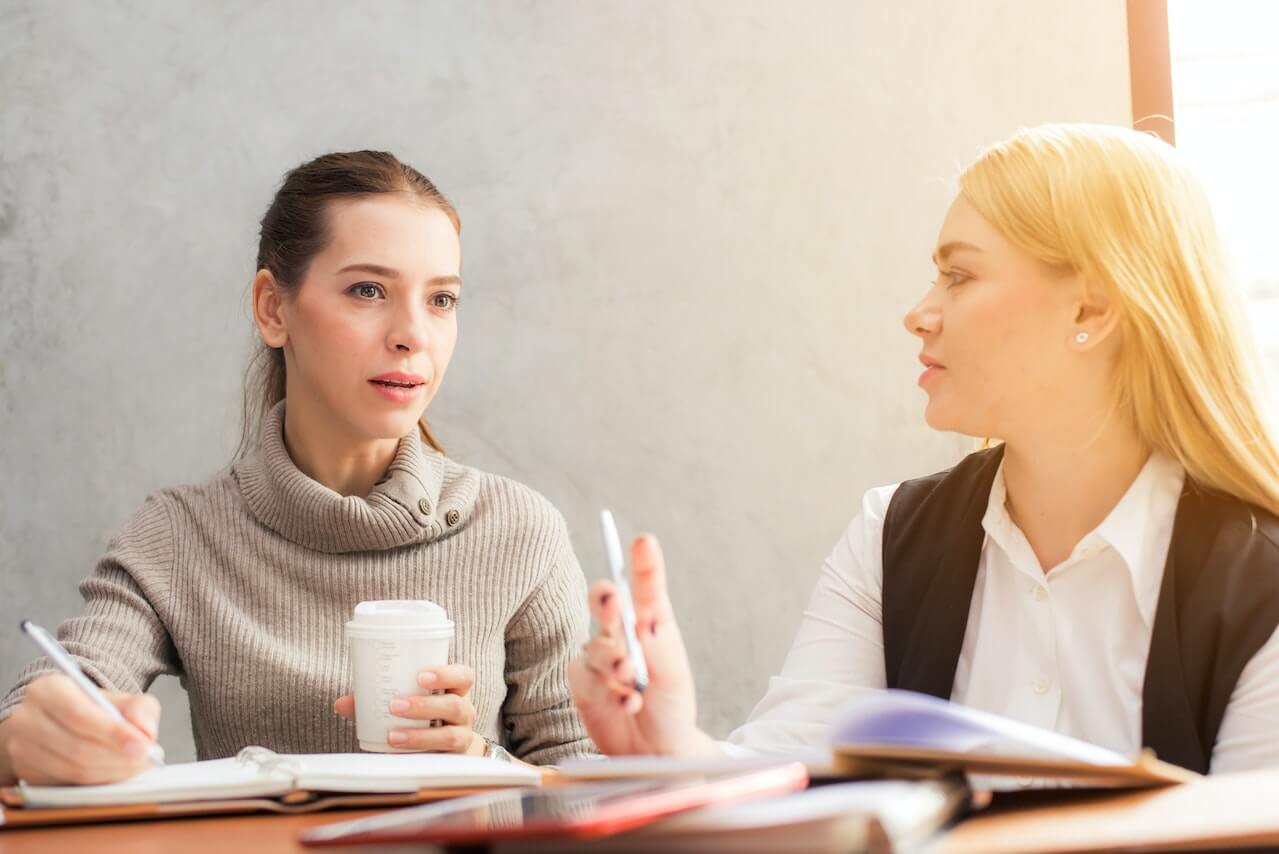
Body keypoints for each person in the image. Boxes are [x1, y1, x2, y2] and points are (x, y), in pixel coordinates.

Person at [569, 123, 1279, 774]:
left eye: (959, 275)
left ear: (1090, 310)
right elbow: (789, 784)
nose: (918, 314)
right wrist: (672, 747)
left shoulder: (1259, 580)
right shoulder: (890, 536)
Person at [0, 151, 593, 786]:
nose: (413, 334)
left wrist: (482, 765)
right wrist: (28, 742)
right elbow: (55, 697)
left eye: (441, 299)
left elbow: (592, 783)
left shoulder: (521, 531)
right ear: (272, 309)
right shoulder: (177, 536)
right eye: (368, 290)